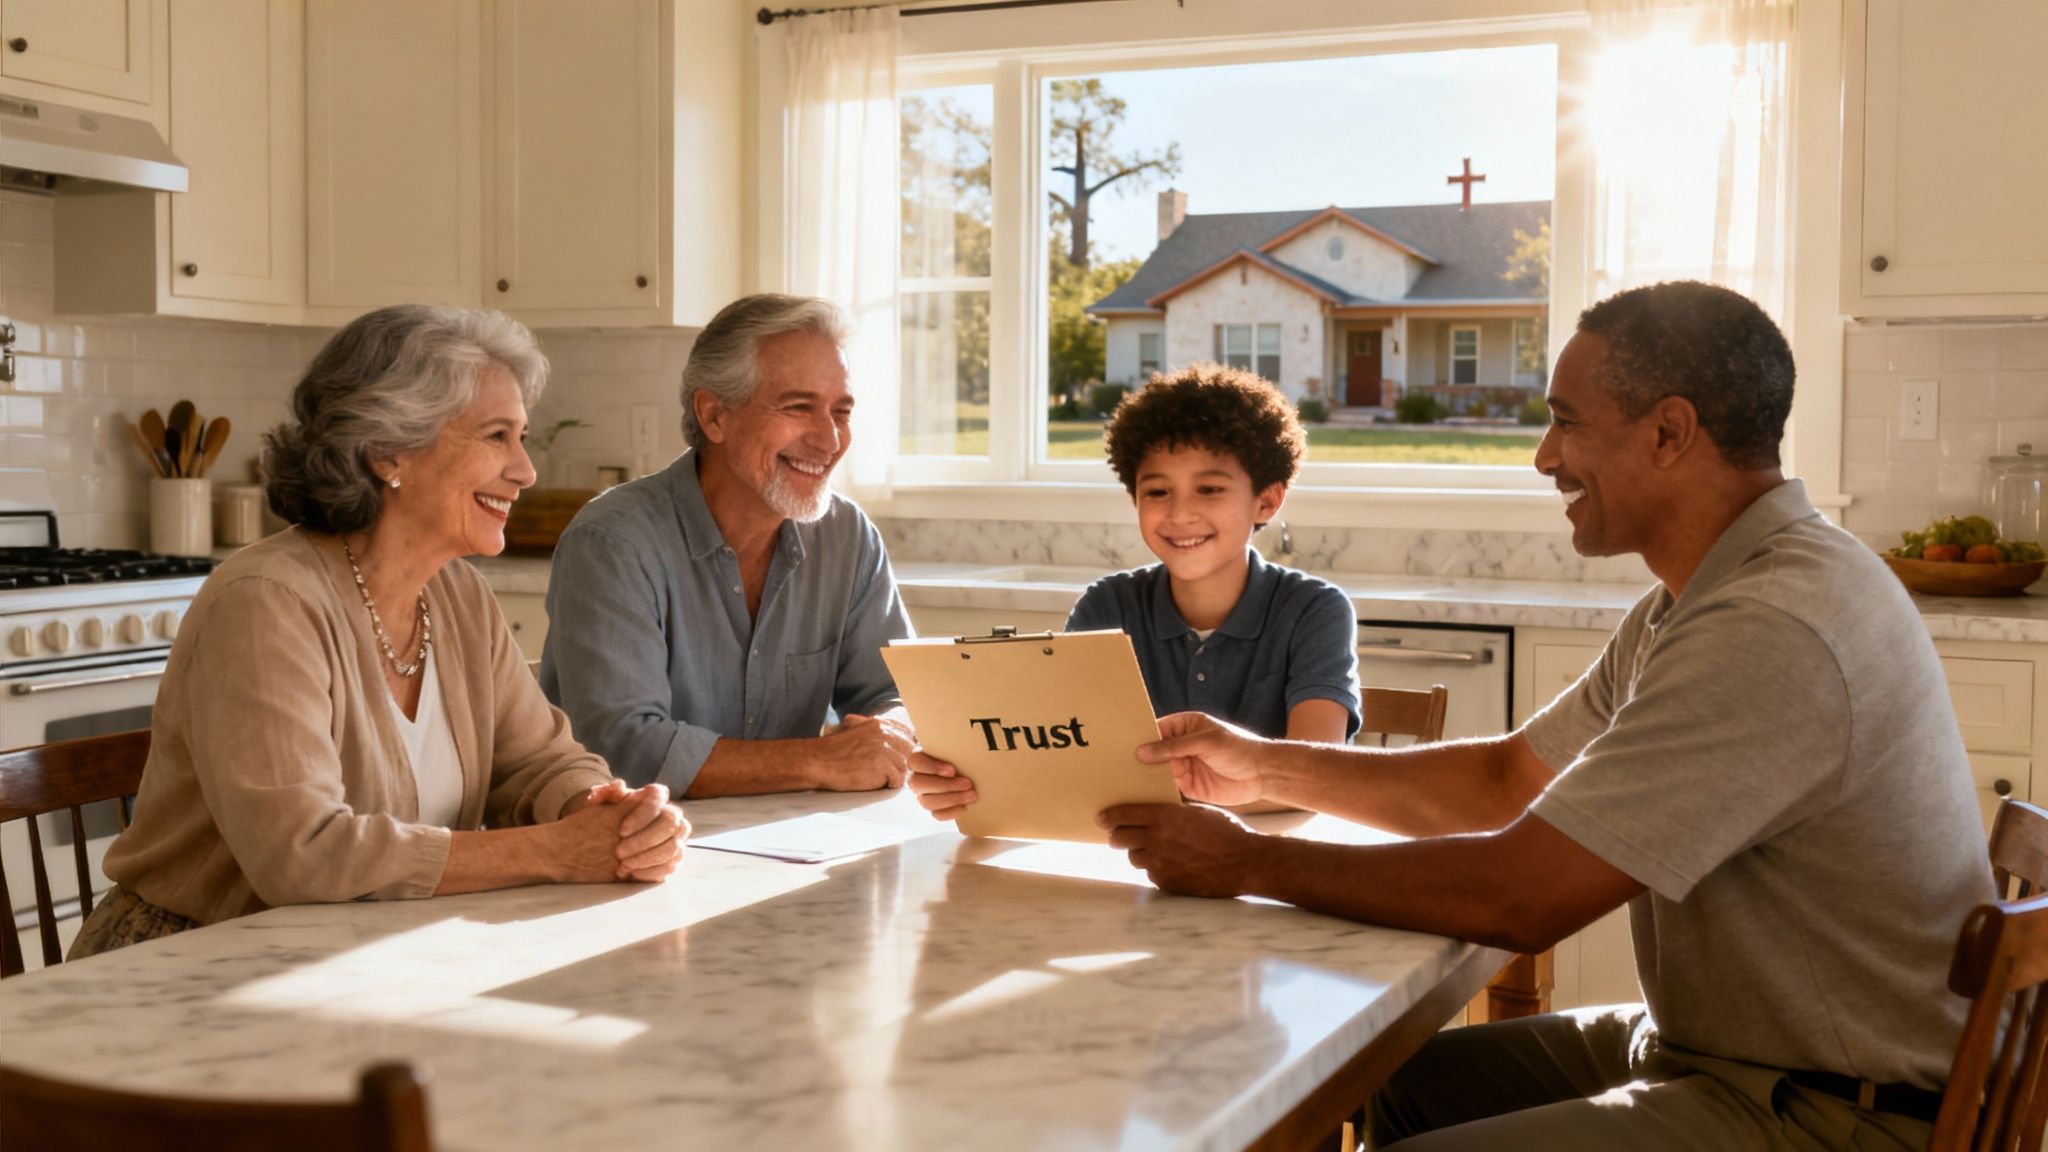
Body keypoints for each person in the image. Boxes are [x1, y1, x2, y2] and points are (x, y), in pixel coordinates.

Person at [1035, 283, 1981, 1149]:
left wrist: (1245, 860)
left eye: (1566, 424)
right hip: (1733, 1049)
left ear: (1669, 433)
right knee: (1385, 1082)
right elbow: (1503, 782)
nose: (1544, 457)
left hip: (1835, 1105)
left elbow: (1520, 898)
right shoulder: (1693, 601)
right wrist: (1264, 765)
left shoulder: (1772, 626)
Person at [73, 305, 687, 959]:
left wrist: (602, 815)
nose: (526, 471)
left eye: (522, 436)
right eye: (496, 436)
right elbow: (301, 855)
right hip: (191, 963)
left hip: (368, 953)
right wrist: (554, 852)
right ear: (389, 451)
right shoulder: (266, 603)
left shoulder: (457, 598)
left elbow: (539, 761)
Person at [542, 294, 916, 798]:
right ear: (714, 415)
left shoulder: (848, 538)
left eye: (841, 411)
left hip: (792, 846)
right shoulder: (612, 542)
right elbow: (622, 747)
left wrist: (890, 730)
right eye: (799, 407)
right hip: (636, 854)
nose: (830, 440)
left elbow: (898, 693)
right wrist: (820, 760)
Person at [1066, 364, 1361, 743]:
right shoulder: (1105, 610)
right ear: (1134, 499)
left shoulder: (1314, 612)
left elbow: (1316, 771)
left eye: (1208, 489)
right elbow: (1074, 761)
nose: (1179, 514)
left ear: (1267, 501)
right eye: (1157, 492)